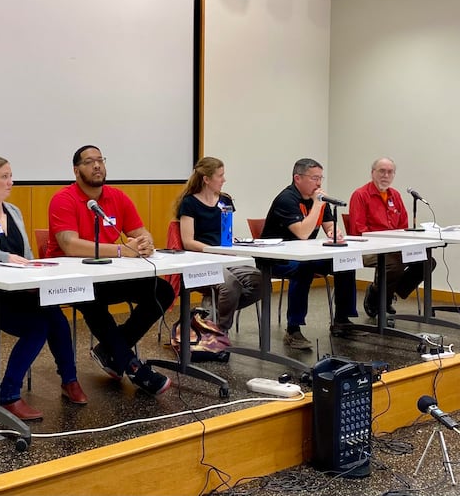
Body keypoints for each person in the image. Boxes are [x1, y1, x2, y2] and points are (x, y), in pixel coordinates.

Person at [0, 156, 87, 421]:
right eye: (4, 176)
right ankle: (9, 394)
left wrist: (36, 276)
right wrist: (0, 256)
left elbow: (26, 255)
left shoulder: (14, 211)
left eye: (11, 176)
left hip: (16, 291)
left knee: (55, 316)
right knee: (36, 327)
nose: (11, 182)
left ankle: (69, 380)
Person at [46, 145, 173, 395]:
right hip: (72, 279)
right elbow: (69, 245)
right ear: (76, 170)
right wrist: (121, 250)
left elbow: (140, 231)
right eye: (89, 162)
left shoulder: (117, 197)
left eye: (100, 160)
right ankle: (133, 367)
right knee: (91, 300)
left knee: (163, 291)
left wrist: (145, 242)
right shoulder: (63, 199)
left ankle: (111, 351)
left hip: (109, 274)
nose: (97, 166)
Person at [260, 158, 358, 349]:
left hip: (305, 256)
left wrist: (334, 232)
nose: (319, 183)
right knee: (303, 268)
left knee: (345, 261)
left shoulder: (318, 200)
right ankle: (293, 329)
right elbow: (303, 233)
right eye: (314, 178)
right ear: (298, 178)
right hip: (276, 259)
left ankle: (342, 319)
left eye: (321, 178)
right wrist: (317, 205)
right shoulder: (286, 199)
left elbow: (329, 227)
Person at [173, 157, 261, 332]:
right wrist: (213, 250)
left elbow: (227, 233)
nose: (224, 180)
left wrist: (234, 243)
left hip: (226, 258)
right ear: (206, 179)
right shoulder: (190, 203)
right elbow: (188, 242)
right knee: (230, 286)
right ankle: (219, 330)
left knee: (260, 282)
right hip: (200, 260)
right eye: (220, 176)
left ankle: (209, 315)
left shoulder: (225, 200)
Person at [348, 157, 436, 317]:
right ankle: (383, 298)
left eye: (390, 172)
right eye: (382, 171)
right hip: (366, 248)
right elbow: (358, 229)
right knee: (394, 264)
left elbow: (403, 226)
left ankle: (381, 294)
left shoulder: (395, 195)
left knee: (427, 261)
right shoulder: (360, 195)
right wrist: (386, 244)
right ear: (372, 173)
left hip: (394, 248)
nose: (386, 175)